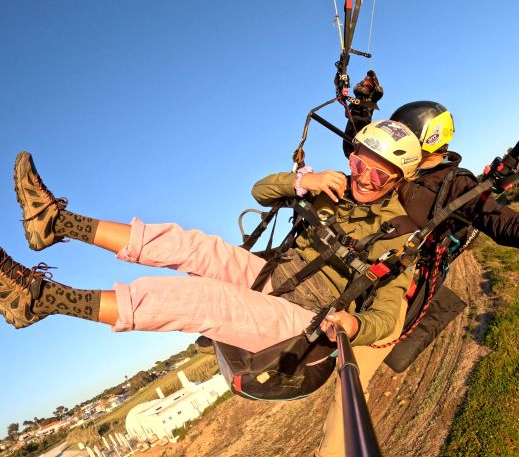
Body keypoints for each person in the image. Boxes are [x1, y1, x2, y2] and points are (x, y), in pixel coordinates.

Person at [287, 87, 519, 457]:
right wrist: (359, 108)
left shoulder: (454, 186)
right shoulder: (393, 163)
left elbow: (504, 224)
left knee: (352, 378)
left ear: (424, 147)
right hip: (344, 261)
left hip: (389, 286)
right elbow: (360, 148)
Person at [0, 121, 423, 359]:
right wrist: (302, 181)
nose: (363, 179)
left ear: (398, 179)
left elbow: (389, 314)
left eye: (378, 175)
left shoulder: (399, 233)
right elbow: (260, 191)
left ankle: (41, 299)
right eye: (358, 164)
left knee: (205, 300)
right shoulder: (332, 187)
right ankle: (56, 223)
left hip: (310, 321)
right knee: (197, 246)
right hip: (277, 275)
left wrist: (356, 324)